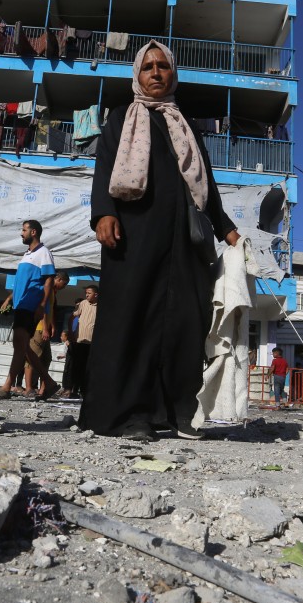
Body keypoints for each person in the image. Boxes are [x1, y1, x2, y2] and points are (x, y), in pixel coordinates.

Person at [78, 40, 240, 442]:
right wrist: (104, 213)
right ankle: (129, 414)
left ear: (173, 74)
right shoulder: (121, 118)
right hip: (133, 237)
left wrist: (228, 230)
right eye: (148, 66)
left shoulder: (184, 123)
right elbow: (105, 168)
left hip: (185, 242)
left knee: (186, 321)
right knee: (132, 319)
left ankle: (179, 412)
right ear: (137, 74)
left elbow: (205, 185)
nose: (155, 72)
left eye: (163, 66)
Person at [0, 220, 60, 401]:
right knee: (23, 347)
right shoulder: (27, 255)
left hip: (31, 305)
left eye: (24, 230)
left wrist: (42, 305)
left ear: (33, 232)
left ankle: (6, 386)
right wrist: (9, 299)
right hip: (21, 305)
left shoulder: (43, 253)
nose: (21, 233)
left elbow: (49, 280)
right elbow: (22, 283)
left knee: (19, 346)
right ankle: (49, 382)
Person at [5, 270, 69, 396]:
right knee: (31, 357)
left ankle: (44, 388)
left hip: (44, 327)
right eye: (64, 284)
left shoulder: (53, 292)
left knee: (46, 359)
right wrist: (45, 328)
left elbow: (51, 311)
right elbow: (43, 308)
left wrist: (53, 325)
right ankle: (29, 387)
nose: (64, 287)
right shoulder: (45, 288)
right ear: (59, 279)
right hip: (39, 328)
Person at [63, 284, 99, 399]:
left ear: (96, 294)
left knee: (86, 368)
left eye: (89, 293)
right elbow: (72, 317)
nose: (87, 295)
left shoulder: (101, 306)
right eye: (86, 293)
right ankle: (71, 389)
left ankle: (83, 391)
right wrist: (71, 333)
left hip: (91, 343)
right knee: (74, 366)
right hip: (79, 341)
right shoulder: (83, 304)